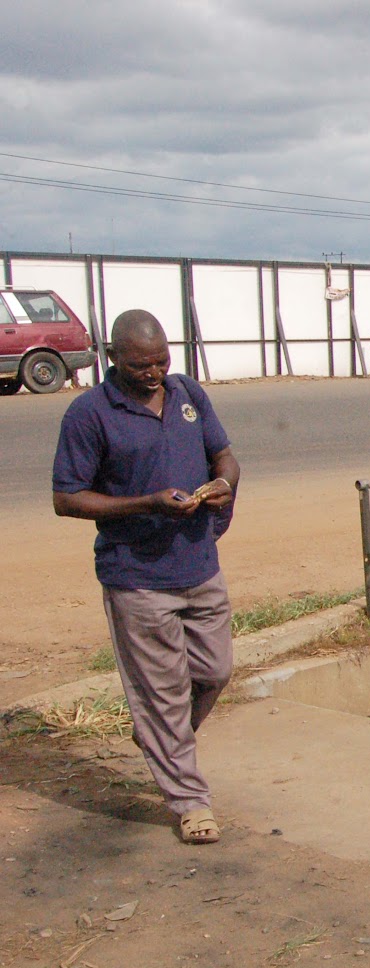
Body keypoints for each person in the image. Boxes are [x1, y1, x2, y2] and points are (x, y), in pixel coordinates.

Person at [52, 310, 240, 845]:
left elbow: (224, 455)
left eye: (161, 360)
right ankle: (190, 802)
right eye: (140, 365)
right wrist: (147, 503)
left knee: (215, 670)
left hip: (199, 565)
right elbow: (67, 498)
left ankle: (159, 736)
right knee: (162, 695)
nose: (154, 373)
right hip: (136, 576)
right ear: (113, 357)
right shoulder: (89, 413)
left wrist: (224, 483)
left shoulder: (187, 393)